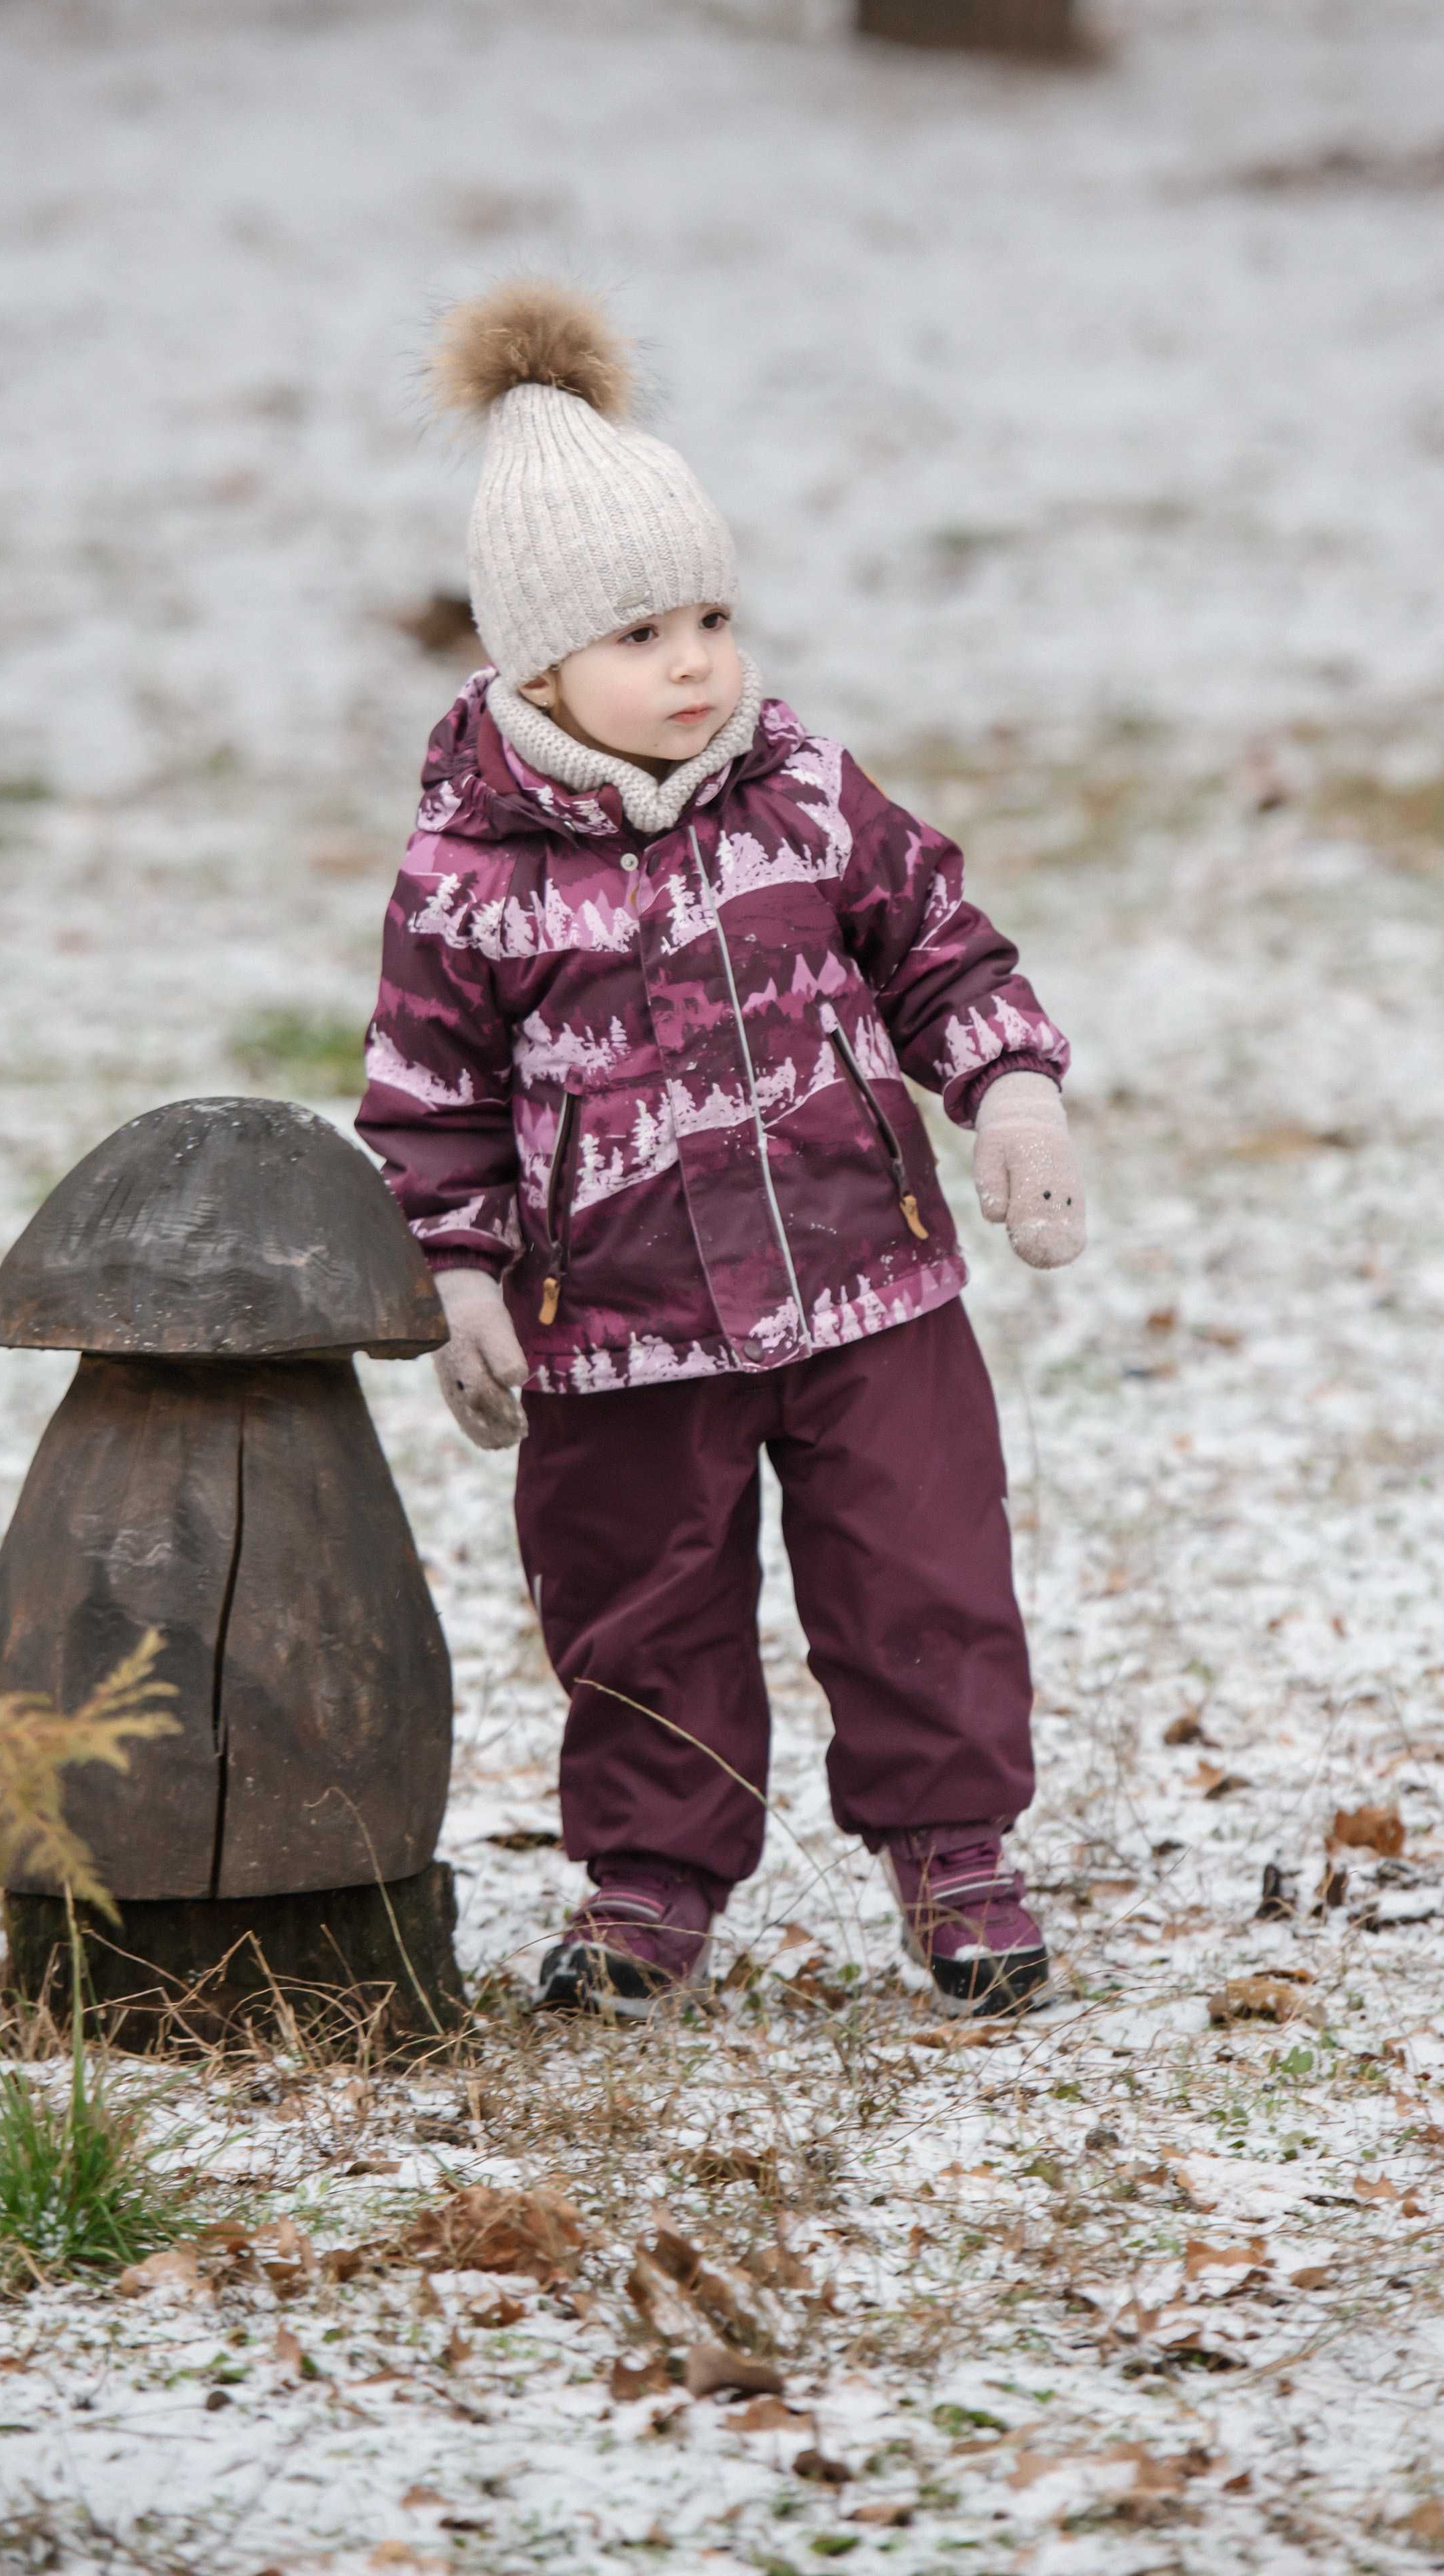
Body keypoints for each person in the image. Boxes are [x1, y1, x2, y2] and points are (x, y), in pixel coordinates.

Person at [357, 282, 1085, 2021]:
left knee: (927, 1573)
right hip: (615, 1330)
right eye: (639, 636)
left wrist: (1010, 1092)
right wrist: (452, 1274)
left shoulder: (813, 797)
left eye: (712, 617)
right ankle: (651, 1882)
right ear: (534, 667)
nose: (693, 663)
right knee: (637, 1609)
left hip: (870, 1284)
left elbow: (941, 950)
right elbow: (429, 1094)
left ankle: (956, 1847)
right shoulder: (467, 881)